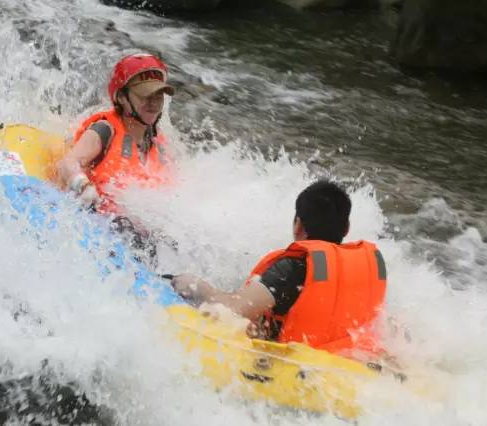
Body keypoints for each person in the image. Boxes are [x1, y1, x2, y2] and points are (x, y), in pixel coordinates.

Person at [171, 180, 387, 355]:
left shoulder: (292, 269)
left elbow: (233, 309)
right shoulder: (367, 268)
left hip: (295, 372)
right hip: (348, 365)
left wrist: (197, 286)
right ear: (346, 228)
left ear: (298, 225)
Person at [56, 53, 175, 259]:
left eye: (158, 95)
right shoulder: (105, 130)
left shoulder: (158, 144)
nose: (153, 102)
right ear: (121, 98)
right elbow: (68, 163)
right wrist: (83, 186)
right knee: (136, 238)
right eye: (144, 95)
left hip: (136, 225)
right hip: (100, 221)